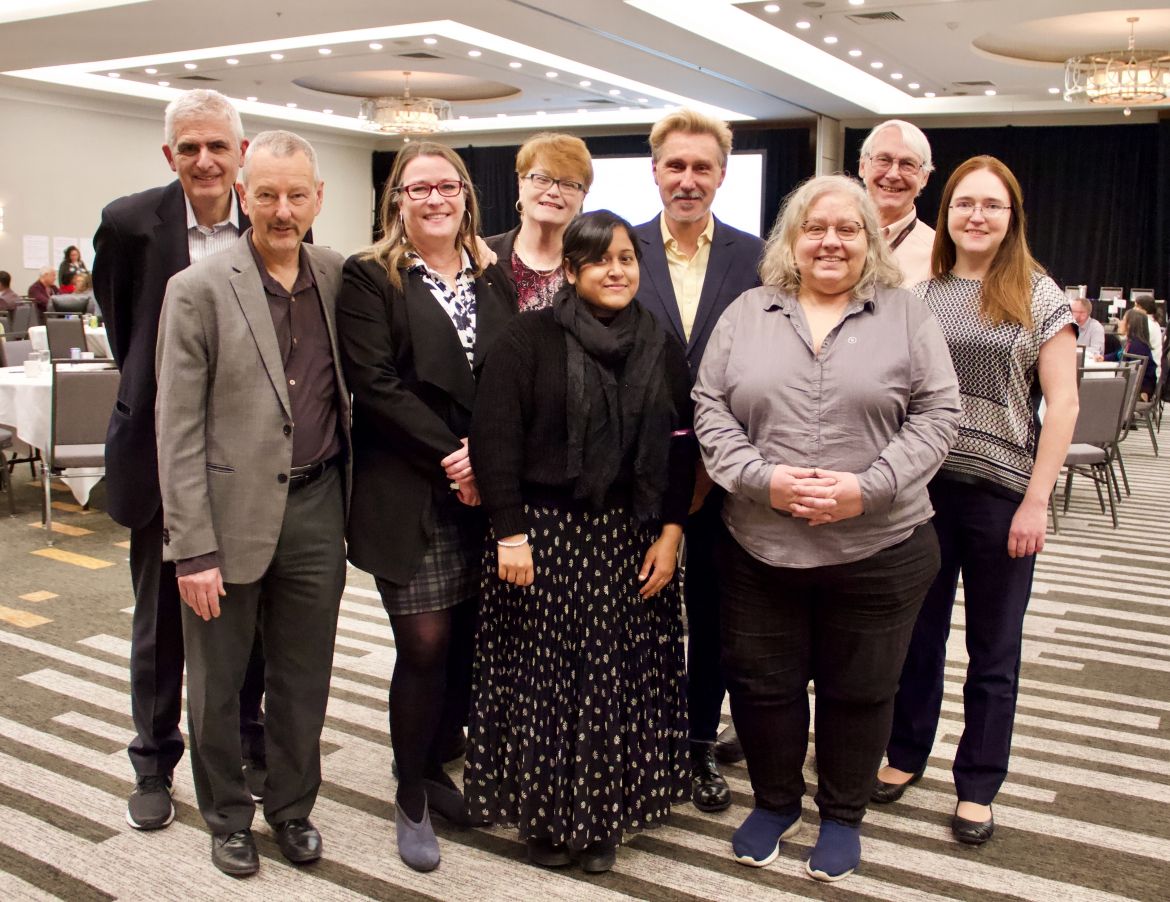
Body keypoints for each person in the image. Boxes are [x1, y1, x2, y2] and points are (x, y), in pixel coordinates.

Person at [693, 174, 961, 882]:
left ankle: (842, 815)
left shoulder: (906, 315)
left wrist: (866, 489)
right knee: (761, 683)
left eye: (848, 229)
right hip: (758, 542)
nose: (831, 241)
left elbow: (940, 414)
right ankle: (777, 803)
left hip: (880, 545)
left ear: (871, 241)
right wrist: (762, 479)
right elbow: (709, 405)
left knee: (861, 688)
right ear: (792, 239)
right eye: (815, 227)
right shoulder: (748, 312)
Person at [466, 209, 695, 874]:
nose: (617, 270)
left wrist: (673, 531)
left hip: (632, 537)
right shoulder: (526, 339)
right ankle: (542, 818)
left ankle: (599, 820)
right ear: (571, 270)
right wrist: (509, 533)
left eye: (627, 258)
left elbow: (682, 449)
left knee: (612, 680)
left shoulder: (661, 344)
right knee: (544, 680)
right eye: (599, 260)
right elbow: (496, 440)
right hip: (543, 535)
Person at [155, 130, 346, 877]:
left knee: (304, 678)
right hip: (225, 519)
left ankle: (293, 808)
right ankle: (227, 815)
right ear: (242, 193)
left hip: (317, 511)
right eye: (265, 193)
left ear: (318, 199)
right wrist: (191, 548)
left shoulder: (338, 277)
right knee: (217, 681)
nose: (282, 209)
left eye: (297, 194)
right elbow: (177, 431)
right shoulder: (197, 289)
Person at [873, 156, 1078, 847]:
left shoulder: (1038, 295)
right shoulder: (922, 292)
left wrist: (1038, 502)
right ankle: (904, 756)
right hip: (923, 493)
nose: (976, 216)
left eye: (992, 205)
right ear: (949, 212)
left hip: (1001, 497)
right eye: (964, 203)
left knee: (994, 648)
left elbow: (1064, 406)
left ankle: (979, 784)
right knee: (916, 638)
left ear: (1011, 216)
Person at [335, 142, 516, 873]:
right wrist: (456, 457)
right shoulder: (370, 276)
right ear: (397, 200)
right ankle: (410, 793)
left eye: (447, 186)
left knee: (473, 642)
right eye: (419, 188)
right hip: (412, 489)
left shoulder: (493, 274)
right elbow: (375, 385)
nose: (434, 199)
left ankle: (439, 762)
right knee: (425, 648)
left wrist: (490, 460)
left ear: (466, 195)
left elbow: (512, 372)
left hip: (488, 489)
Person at [92, 88, 265, 832]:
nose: (204, 160)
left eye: (217, 146)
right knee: (160, 619)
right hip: (164, 452)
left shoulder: (270, 218)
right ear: (171, 156)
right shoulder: (130, 224)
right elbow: (124, 323)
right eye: (189, 148)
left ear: (240, 153)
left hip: (253, 455)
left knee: (251, 610)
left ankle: (249, 743)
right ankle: (155, 760)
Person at [632, 107, 765, 809]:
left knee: (713, 616)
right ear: (655, 171)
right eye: (675, 166)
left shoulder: (757, 257)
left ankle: (696, 745)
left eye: (702, 167)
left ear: (721, 175)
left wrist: (725, 456)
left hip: (724, 473)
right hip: (630, 475)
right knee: (635, 610)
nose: (688, 179)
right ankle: (636, 739)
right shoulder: (617, 247)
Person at [486, 132, 593, 310]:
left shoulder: (591, 261)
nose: (553, 191)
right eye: (542, 179)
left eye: (568, 184)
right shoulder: (484, 256)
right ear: (521, 183)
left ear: (583, 196)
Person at [858, 119, 936, 287]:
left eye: (908, 164)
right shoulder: (831, 238)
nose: (893, 174)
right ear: (862, 166)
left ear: (924, 177)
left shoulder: (937, 254)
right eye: (883, 160)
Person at [1116, 308, 1157, 399]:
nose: (1120, 322)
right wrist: (1103, 358)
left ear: (1129, 325)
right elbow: (1118, 354)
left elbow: (1134, 375)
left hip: (1139, 390)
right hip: (1133, 386)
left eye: (1123, 320)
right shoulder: (1132, 343)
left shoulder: (1138, 346)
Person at [1134, 296, 1163, 384]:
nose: (1133, 309)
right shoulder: (1153, 322)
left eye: (1136, 306)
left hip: (1149, 373)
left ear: (1144, 309)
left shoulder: (1147, 324)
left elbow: (1137, 350)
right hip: (1154, 369)